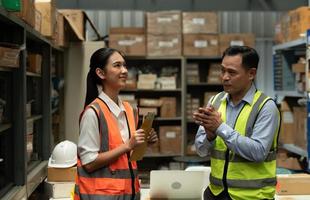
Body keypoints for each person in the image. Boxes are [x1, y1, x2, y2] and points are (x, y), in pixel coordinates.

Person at [193, 46, 280, 200]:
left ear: (251, 74)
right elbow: (201, 151)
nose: (225, 77)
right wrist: (209, 136)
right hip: (216, 193)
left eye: (232, 72)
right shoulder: (215, 102)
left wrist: (220, 128)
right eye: (222, 70)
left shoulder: (265, 107)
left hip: (252, 196)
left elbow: (259, 152)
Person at [74, 48, 158, 200]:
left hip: (128, 194)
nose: (125, 70)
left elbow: (127, 157)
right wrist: (128, 145)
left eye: (125, 65)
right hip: (102, 196)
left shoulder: (128, 109)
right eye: (117, 65)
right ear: (101, 73)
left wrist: (144, 143)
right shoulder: (93, 113)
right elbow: (89, 163)